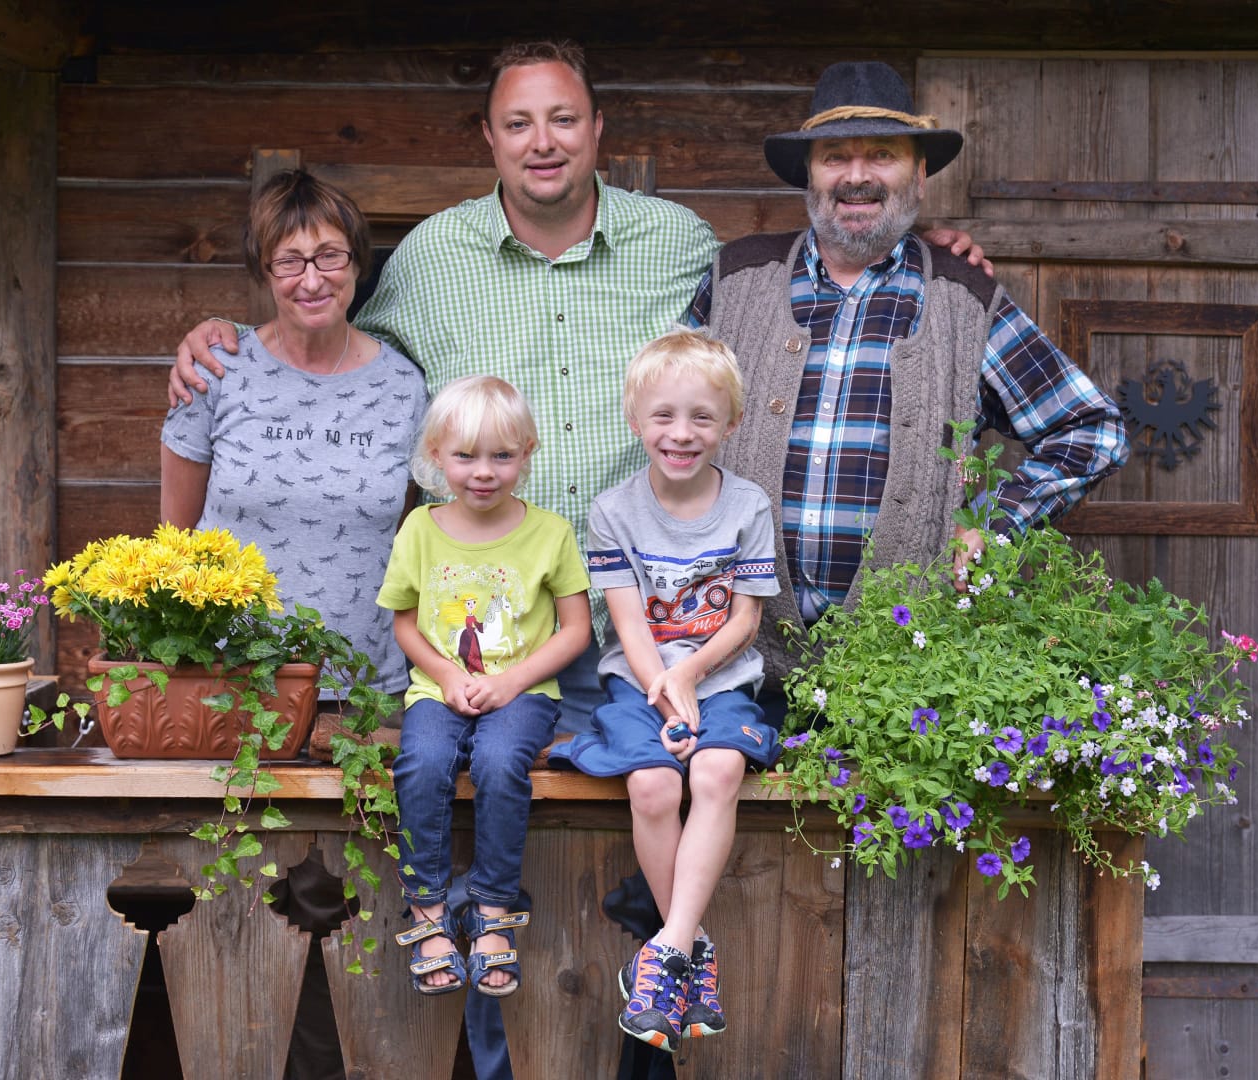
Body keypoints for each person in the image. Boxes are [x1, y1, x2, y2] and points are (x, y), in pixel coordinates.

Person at [164, 41, 989, 734]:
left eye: (562, 119)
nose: (542, 142)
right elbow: (333, 341)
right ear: (489, 137)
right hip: (480, 633)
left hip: (642, 628)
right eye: (518, 123)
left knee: (630, 810)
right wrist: (229, 338)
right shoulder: (429, 258)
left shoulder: (678, 244)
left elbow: (791, 284)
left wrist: (915, 245)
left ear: (596, 129)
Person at [689, 61, 1129, 712]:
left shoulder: (962, 297)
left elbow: (1092, 429)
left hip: (902, 689)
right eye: (835, 156)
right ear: (809, 174)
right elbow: (662, 412)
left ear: (919, 175)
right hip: (729, 670)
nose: (857, 176)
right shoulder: (735, 278)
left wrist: (992, 525)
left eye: (882, 155)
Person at [160, 168, 426, 1080]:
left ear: (358, 264)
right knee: (240, 904)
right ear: (262, 269)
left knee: (353, 906)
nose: (312, 278)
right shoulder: (217, 369)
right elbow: (175, 546)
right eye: (290, 260)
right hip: (236, 695)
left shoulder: (403, 387)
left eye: (330, 257)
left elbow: (425, 538)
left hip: (366, 696)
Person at [550, 329, 779, 1052]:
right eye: (664, 416)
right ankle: (693, 948)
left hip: (722, 678)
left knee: (717, 770)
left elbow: (745, 619)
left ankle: (665, 949)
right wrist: (662, 688)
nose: (682, 434)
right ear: (635, 420)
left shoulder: (748, 506)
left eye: (702, 417)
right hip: (638, 682)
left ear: (731, 423)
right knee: (651, 784)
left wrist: (689, 677)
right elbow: (627, 623)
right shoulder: (613, 511)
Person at [377, 375, 592, 996]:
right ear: (436, 454)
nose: (483, 471)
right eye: (465, 455)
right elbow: (405, 622)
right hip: (437, 692)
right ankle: (427, 911)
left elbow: (576, 629)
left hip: (524, 694)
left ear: (527, 453)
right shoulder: (420, 529)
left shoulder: (550, 533)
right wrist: (447, 675)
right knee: (422, 762)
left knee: (499, 762)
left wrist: (511, 682)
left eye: (501, 455)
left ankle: (493, 912)